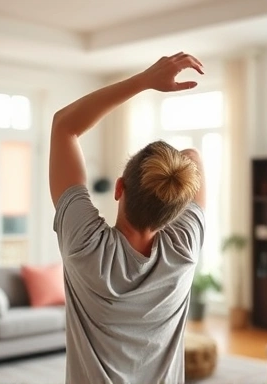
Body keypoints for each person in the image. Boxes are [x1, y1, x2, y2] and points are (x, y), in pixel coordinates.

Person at [49, 52, 206, 384]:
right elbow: (193, 157)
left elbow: (64, 126)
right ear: (177, 210)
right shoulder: (184, 250)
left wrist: (144, 81)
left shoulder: (85, 246)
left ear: (119, 188)